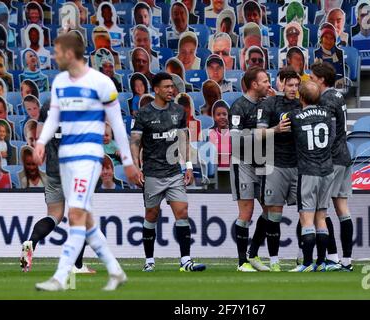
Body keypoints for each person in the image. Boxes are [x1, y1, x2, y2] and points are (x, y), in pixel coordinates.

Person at [33, 32, 141, 291]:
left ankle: (60, 276)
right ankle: (115, 271)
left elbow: (116, 123)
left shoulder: (101, 83)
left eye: (58, 51)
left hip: (88, 157)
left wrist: (127, 160)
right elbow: (53, 118)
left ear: (70, 54)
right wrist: (40, 142)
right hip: (66, 158)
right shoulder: (59, 82)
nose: (55, 56)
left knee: (76, 214)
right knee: (87, 220)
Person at [130, 72, 206, 272]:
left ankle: (185, 261)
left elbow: (183, 139)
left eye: (172, 87)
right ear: (156, 89)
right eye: (166, 87)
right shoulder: (144, 113)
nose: (171, 90)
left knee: (182, 212)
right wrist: (137, 167)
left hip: (173, 172)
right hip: (153, 173)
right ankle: (149, 260)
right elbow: (136, 142)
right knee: (151, 215)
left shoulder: (179, 111)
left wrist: (188, 165)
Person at [20, 99, 94, 274]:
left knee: (54, 215)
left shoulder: (49, 105)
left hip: (53, 170)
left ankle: (31, 242)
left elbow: (39, 138)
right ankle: (77, 266)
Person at [249, 70, 301, 272]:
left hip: (298, 165)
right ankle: (274, 259)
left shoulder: (301, 105)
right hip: (275, 164)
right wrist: (277, 129)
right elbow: (258, 135)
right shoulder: (269, 104)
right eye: (290, 85)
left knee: (304, 213)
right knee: (274, 214)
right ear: (281, 84)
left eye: (297, 85)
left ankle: (302, 255)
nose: (294, 89)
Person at [309, 62, 354, 271]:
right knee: (342, 209)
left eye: (312, 78)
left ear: (321, 80)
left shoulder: (326, 99)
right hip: (345, 155)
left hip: (332, 159)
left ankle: (334, 257)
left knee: (321, 210)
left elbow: (327, 132)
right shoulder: (338, 95)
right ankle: (347, 261)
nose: (309, 81)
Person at [287, 80, 334, 272]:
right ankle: (321, 262)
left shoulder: (295, 116)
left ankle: (306, 264)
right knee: (321, 218)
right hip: (327, 170)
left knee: (307, 220)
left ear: (301, 97)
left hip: (308, 171)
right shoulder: (328, 114)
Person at [229, 66, 271, 272]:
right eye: (265, 81)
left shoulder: (266, 104)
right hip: (243, 163)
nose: (268, 84)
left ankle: (252, 254)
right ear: (254, 84)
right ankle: (241, 262)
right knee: (246, 211)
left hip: (264, 163)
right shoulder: (239, 107)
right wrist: (264, 133)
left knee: (270, 209)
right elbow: (235, 140)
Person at [314, 23, 345, 88]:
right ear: (321, 39)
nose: (328, 41)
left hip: (337, 85)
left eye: (331, 38)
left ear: (334, 41)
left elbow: (341, 73)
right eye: (326, 37)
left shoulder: (339, 54)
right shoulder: (316, 54)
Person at [209, 100, 231, 168]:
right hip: (215, 173)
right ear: (214, 117)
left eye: (224, 114)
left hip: (232, 173)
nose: (222, 117)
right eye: (218, 115)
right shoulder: (210, 134)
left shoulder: (234, 133)